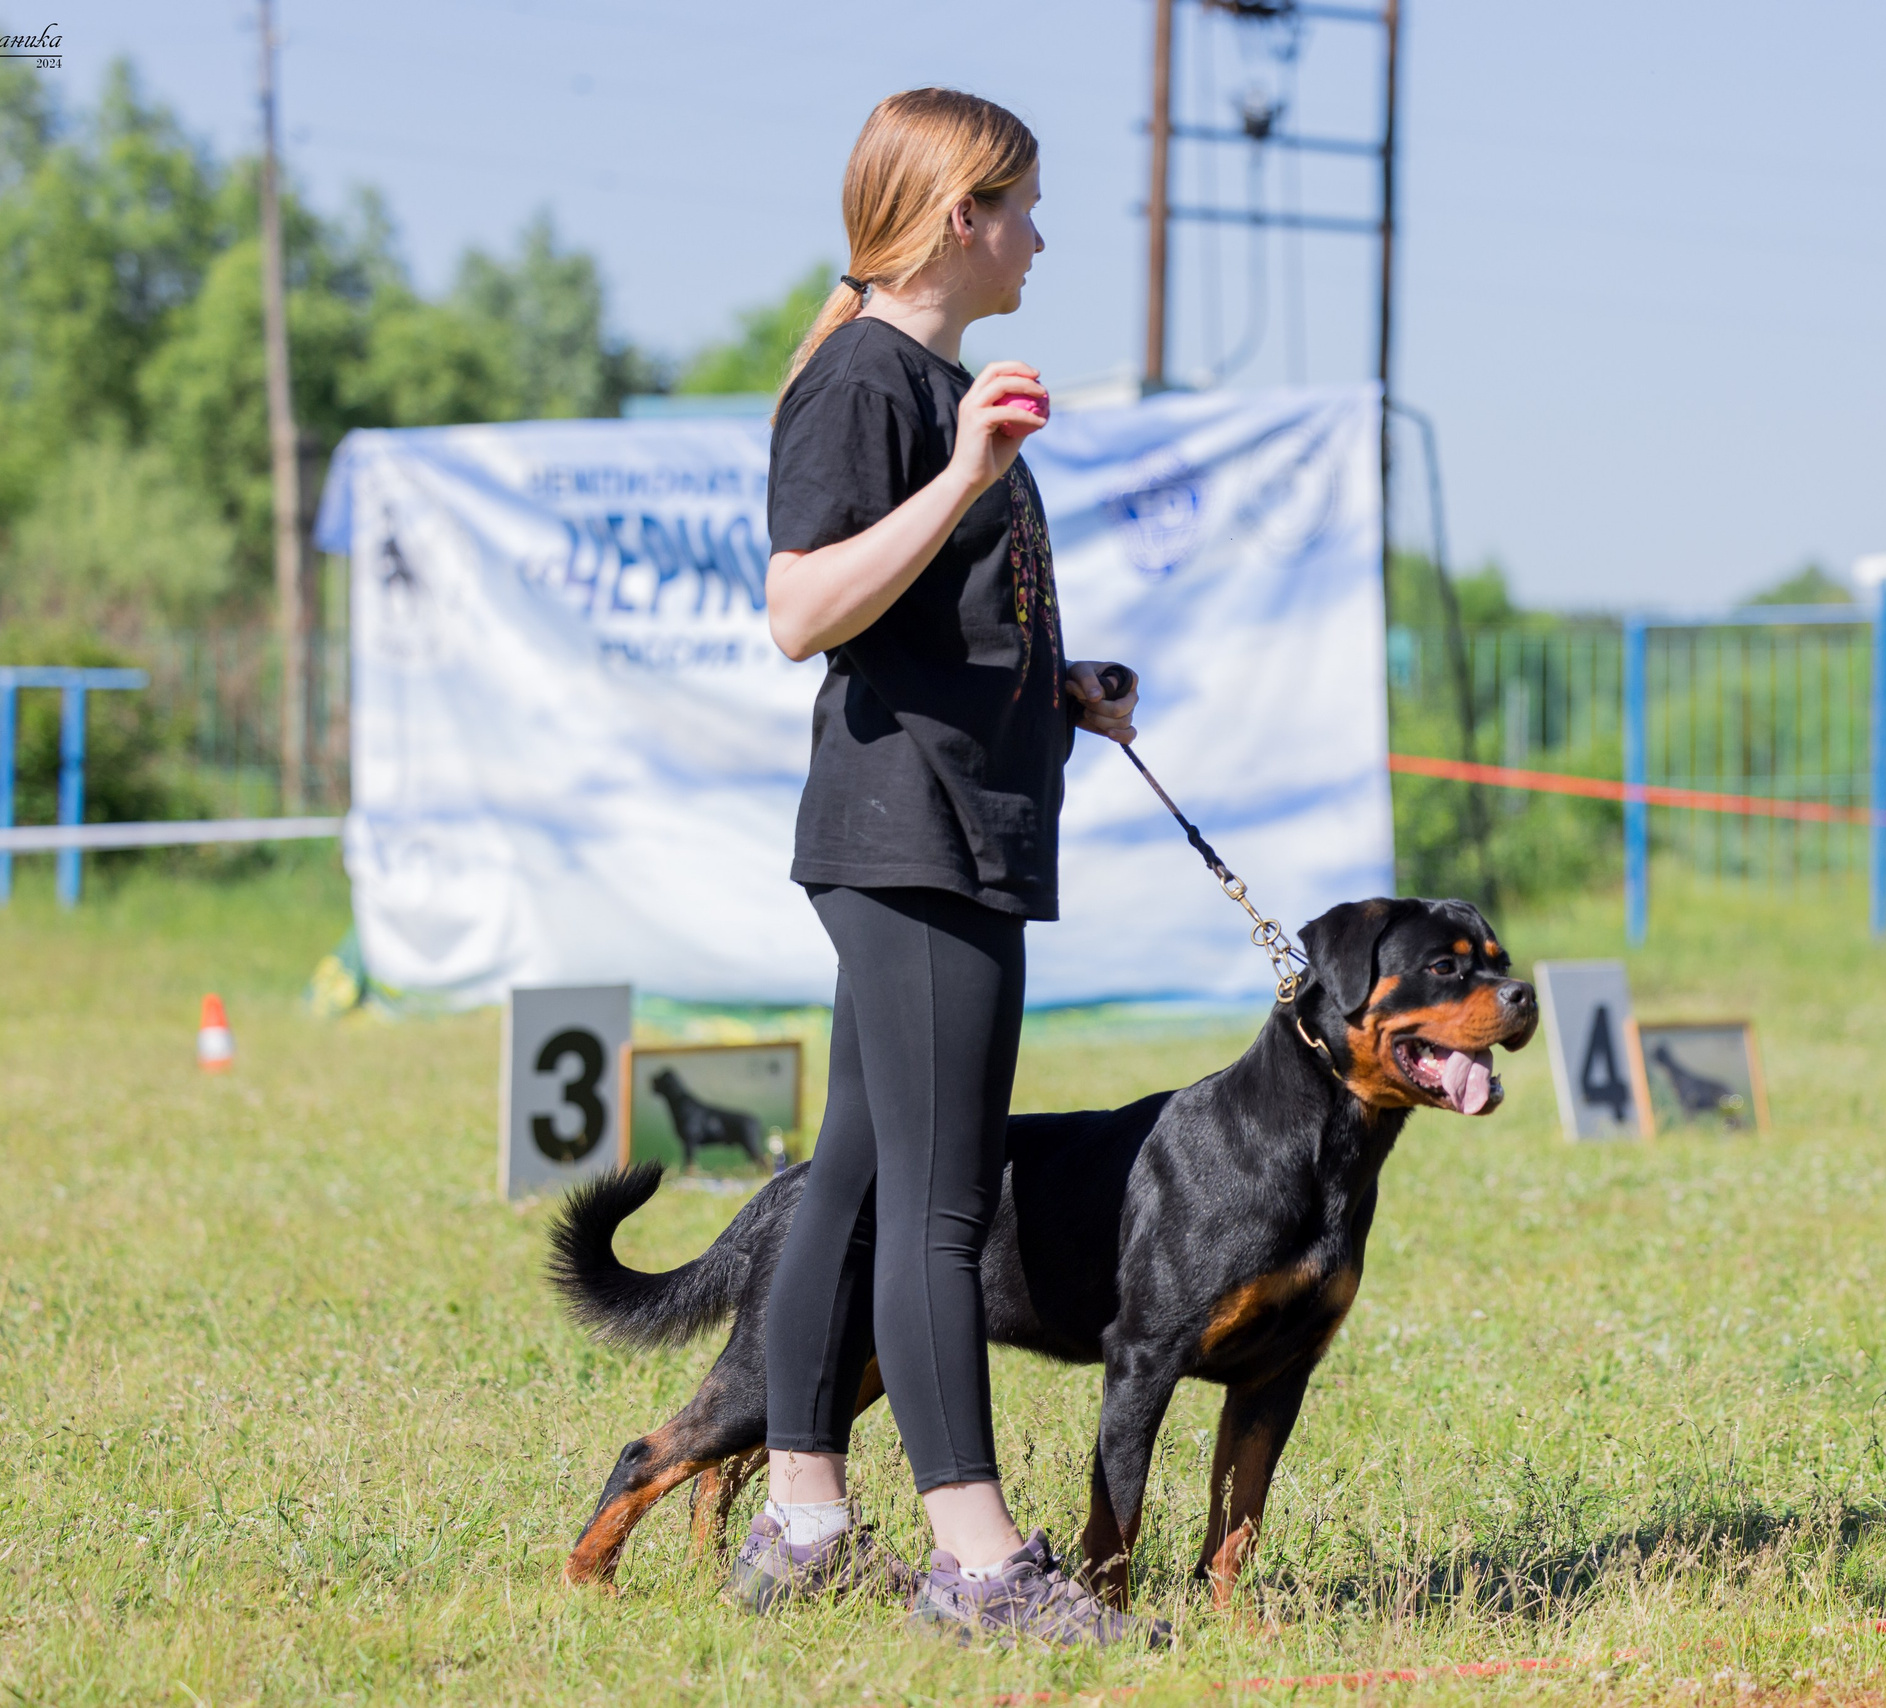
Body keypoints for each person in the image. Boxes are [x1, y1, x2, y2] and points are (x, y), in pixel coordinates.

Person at [739, 88, 1160, 1648]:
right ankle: (979, 1566)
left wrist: (1059, 682)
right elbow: (802, 610)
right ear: (958, 216)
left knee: (856, 1182)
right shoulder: (868, 380)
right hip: (911, 841)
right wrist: (968, 475)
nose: (1045, 237)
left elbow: (929, 616)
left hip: (946, 824)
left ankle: (800, 1521)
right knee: (939, 1207)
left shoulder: (931, 378)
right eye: (1027, 208)